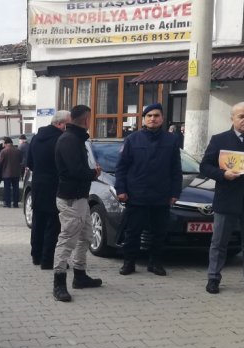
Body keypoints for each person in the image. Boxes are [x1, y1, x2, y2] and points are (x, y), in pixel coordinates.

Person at [115, 103, 182, 277]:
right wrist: (121, 190)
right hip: (136, 195)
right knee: (133, 232)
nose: (153, 118)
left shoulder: (172, 140)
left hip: (161, 195)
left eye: (156, 115)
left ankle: (155, 263)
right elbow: (121, 167)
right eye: (149, 116)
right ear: (143, 119)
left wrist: (175, 193)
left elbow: (176, 169)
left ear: (162, 118)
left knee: (159, 233)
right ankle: (129, 263)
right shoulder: (132, 139)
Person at [200, 101, 244, 294]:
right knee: (219, 243)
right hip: (227, 199)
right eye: (241, 116)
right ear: (232, 118)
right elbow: (205, 166)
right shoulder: (219, 139)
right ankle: (213, 278)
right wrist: (223, 174)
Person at [52, 105, 103, 302]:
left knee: (86, 236)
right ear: (86, 119)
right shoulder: (70, 140)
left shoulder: (75, 138)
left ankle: (80, 275)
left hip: (79, 198)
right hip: (70, 198)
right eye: (91, 118)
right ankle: (59, 283)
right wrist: (94, 173)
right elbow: (75, 171)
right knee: (67, 240)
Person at [27, 110, 70, 269]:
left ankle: (36, 256)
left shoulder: (37, 138)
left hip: (38, 185)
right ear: (60, 124)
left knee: (38, 221)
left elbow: (30, 163)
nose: (69, 127)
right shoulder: (61, 139)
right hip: (55, 186)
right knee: (53, 224)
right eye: (68, 124)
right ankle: (48, 260)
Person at [0, 137, 22, 208]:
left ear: (5, 143)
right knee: (16, 188)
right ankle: (16, 203)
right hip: (16, 173)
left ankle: (7, 203)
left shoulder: (4, 151)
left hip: (6, 173)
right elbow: (21, 160)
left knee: (7, 188)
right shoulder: (18, 150)